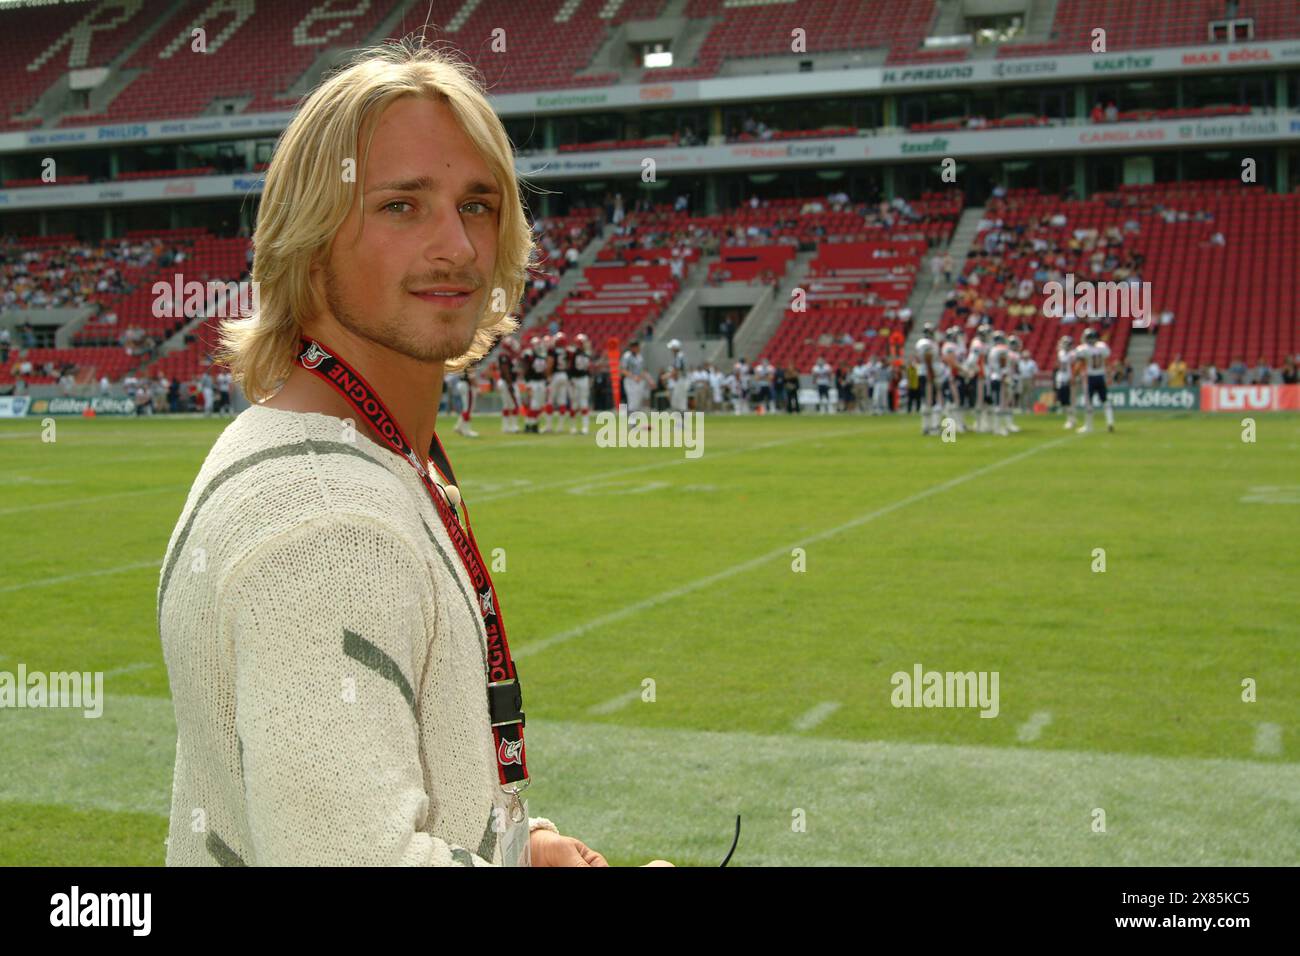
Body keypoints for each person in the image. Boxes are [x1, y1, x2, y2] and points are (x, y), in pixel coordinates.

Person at [165, 41, 664, 867]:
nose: (461, 249)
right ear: (312, 238)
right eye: (403, 206)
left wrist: (514, 846)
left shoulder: (330, 446)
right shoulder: (328, 524)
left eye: (478, 204)